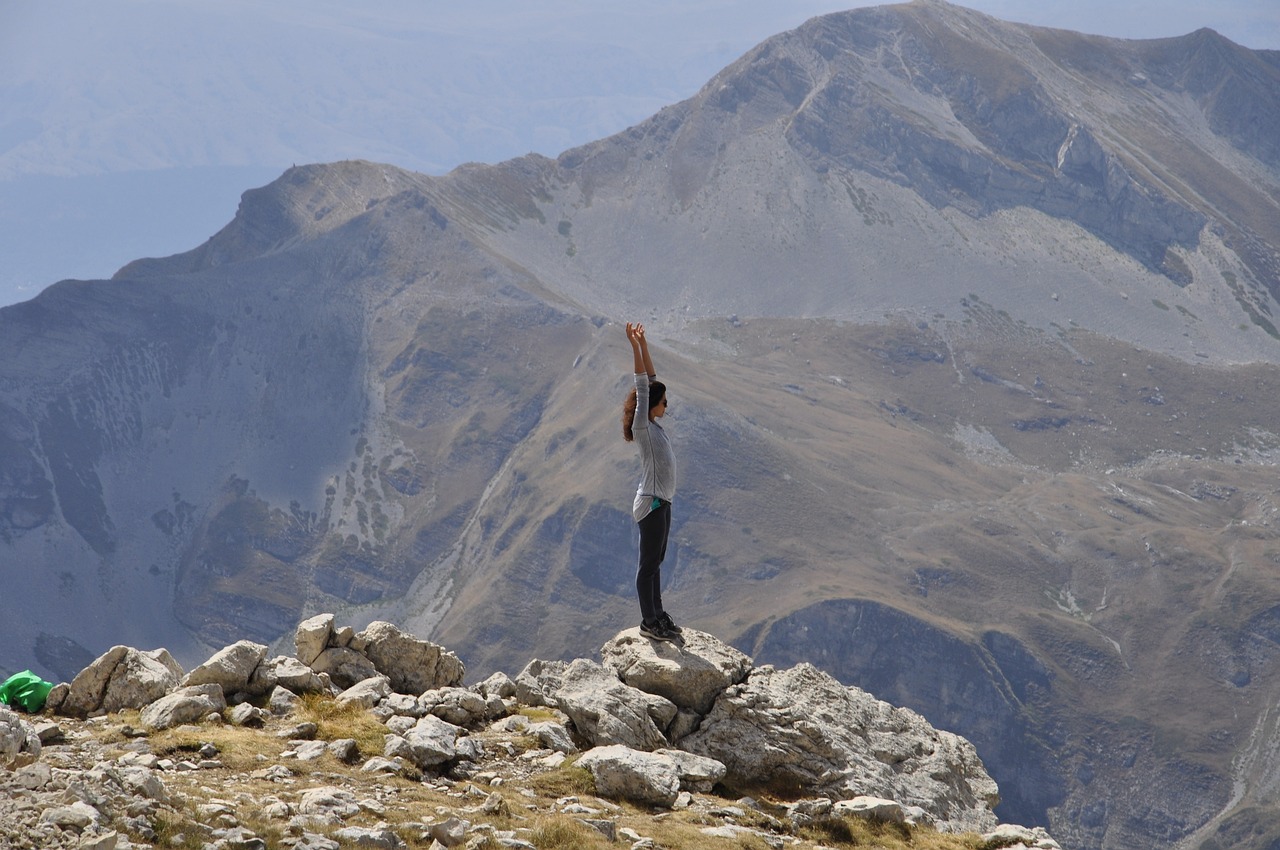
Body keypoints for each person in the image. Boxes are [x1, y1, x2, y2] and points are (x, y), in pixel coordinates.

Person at [623, 322, 683, 642]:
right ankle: (648, 621)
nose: (666, 406)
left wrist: (644, 345)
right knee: (648, 565)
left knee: (657, 561)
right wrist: (633, 348)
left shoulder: (654, 426)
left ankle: (659, 615)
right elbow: (644, 386)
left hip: (663, 501)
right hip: (651, 502)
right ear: (652, 406)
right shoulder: (643, 427)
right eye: (663, 402)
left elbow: (652, 382)